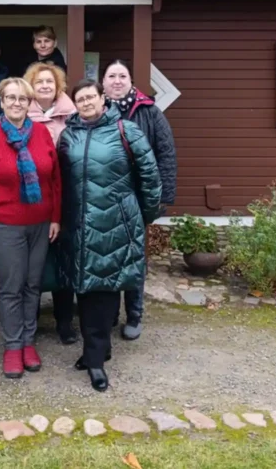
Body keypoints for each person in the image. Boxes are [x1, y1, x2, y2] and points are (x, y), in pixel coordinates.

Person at [57, 80, 162, 392]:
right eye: (80, 98)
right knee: (86, 289)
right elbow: (59, 180)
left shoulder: (126, 131)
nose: (86, 102)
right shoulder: (68, 135)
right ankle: (99, 349)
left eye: (91, 96)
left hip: (116, 222)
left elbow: (150, 176)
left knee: (103, 291)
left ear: (102, 98)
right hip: (77, 225)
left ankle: (95, 361)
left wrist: (143, 217)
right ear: (74, 103)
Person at [0, 77, 61, 378]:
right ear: (1, 102)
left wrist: (55, 217)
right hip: (5, 225)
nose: (16, 103)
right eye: (10, 98)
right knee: (11, 288)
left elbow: (54, 179)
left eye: (22, 98)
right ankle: (12, 346)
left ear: (29, 102)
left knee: (32, 285)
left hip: (39, 224)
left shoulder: (42, 134)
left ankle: (28, 341)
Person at [102, 60, 178, 341]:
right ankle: (109, 313)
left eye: (122, 76)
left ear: (131, 81)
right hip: (106, 199)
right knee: (109, 257)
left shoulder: (149, 112)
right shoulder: (95, 112)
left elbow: (166, 154)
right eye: (112, 76)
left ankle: (134, 314)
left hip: (137, 199)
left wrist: (162, 198)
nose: (117, 81)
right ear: (103, 82)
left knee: (134, 259)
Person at [24, 61, 78, 344]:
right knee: (34, 263)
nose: (45, 86)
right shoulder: (22, 116)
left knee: (63, 262)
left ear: (58, 87)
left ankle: (65, 321)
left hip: (68, 199)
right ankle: (29, 319)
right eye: (39, 82)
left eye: (49, 82)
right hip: (33, 200)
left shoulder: (73, 115)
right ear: (30, 88)